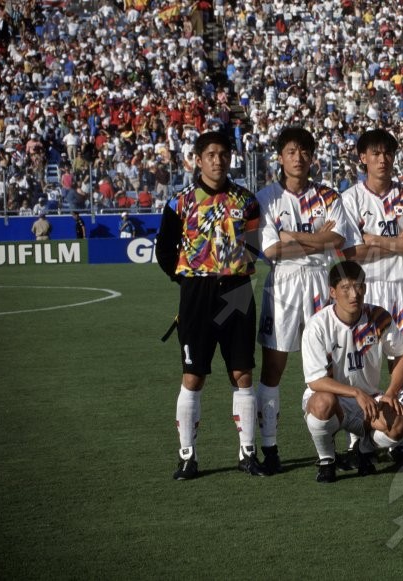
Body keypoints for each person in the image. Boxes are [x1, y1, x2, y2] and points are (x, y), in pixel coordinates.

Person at [154, 130, 268, 480]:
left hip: (236, 291)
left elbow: (253, 243)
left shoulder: (246, 200)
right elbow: (164, 249)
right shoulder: (179, 202)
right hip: (196, 296)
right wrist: (187, 280)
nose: (218, 160)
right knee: (193, 376)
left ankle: (247, 453)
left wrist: (232, 266)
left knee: (243, 373)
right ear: (198, 159)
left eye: (223, 154)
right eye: (211, 154)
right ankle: (187, 457)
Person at [254, 126, 360, 473]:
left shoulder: (329, 196)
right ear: (281, 157)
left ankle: (349, 442)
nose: (298, 158)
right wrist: (318, 237)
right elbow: (271, 249)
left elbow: (336, 239)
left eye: (304, 152)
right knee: (274, 367)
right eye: (291, 151)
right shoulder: (267, 197)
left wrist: (294, 236)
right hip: (283, 282)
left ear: (312, 157)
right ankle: (269, 447)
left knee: (334, 363)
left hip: (319, 278)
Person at [301, 261, 403, 483]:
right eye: (346, 288)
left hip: (370, 399)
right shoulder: (318, 325)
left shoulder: (378, 317)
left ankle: (364, 449)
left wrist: (390, 392)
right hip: (334, 400)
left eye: (359, 286)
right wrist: (356, 393)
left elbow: (400, 355)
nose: (354, 294)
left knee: (398, 425)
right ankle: (327, 460)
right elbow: (315, 381)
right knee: (322, 403)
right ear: (332, 292)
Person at [341, 129, 403, 337]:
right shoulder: (350, 199)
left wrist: (373, 240)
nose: (382, 160)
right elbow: (353, 253)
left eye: (387, 154)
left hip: (401, 288)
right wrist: (399, 242)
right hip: (364, 289)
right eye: (376, 154)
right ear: (363, 157)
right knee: (365, 362)